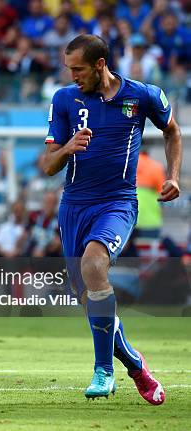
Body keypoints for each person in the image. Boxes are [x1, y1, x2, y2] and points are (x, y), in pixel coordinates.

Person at [43, 34, 181, 403]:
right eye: (69, 69)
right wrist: (68, 147)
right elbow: (47, 166)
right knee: (88, 298)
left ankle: (103, 370)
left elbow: (172, 131)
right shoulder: (64, 100)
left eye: (79, 69)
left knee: (93, 264)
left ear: (100, 64)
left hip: (117, 203)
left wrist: (173, 175)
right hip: (74, 205)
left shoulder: (142, 96)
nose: (73, 76)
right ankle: (136, 366)